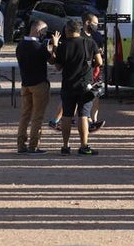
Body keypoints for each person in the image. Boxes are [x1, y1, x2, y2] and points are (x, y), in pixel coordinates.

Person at [51, 20, 102, 155]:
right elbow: (99, 62)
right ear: (79, 30)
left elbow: (58, 66)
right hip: (85, 85)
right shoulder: (90, 43)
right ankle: (84, 145)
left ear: (67, 31)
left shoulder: (63, 46)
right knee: (83, 115)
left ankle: (66, 146)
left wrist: (56, 46)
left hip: (68, 84)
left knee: (67, 115)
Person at [16, 19, 52, 154]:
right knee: (37, 116)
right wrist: (53, 46)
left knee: (24, 115)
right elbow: (52, 60)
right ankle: (33, 145)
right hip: (39, 84)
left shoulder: (20, 45)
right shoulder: (39, 47)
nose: (44, 34)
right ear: (38, 30)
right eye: (44, 31)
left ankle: (20, 144)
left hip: (25, 84)